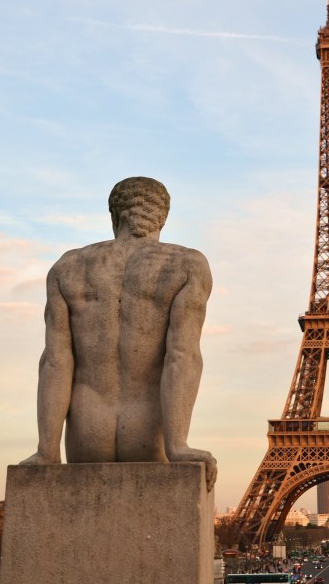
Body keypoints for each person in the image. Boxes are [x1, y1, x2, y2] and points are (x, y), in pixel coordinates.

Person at [20, 176, 217, 490]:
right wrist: (177, 445)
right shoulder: (186, 265)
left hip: (86, 431)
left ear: (115, 216)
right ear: (162, 217)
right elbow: (183, 357)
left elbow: (55, 362)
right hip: (149, 433)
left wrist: (47, 450)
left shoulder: (68, 267)